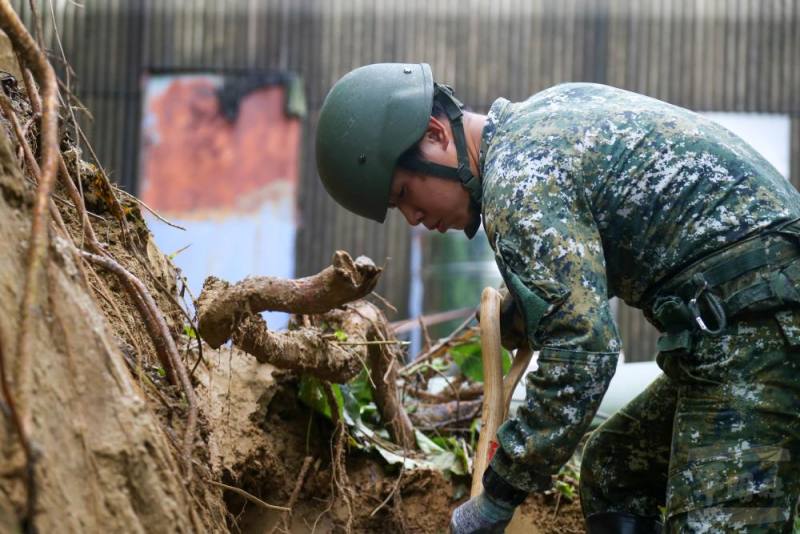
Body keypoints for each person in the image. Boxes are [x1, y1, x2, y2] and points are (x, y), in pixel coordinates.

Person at [315, 63, 800, 533]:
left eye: (404, 193)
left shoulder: (518, 184)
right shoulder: (546, 117)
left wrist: (500, 492)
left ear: (438, 135)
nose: (413, 218)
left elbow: (583, 354)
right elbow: (613, 245)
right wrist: (530, 305)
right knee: (617, 468)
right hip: (749, 322)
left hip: (763, 331)